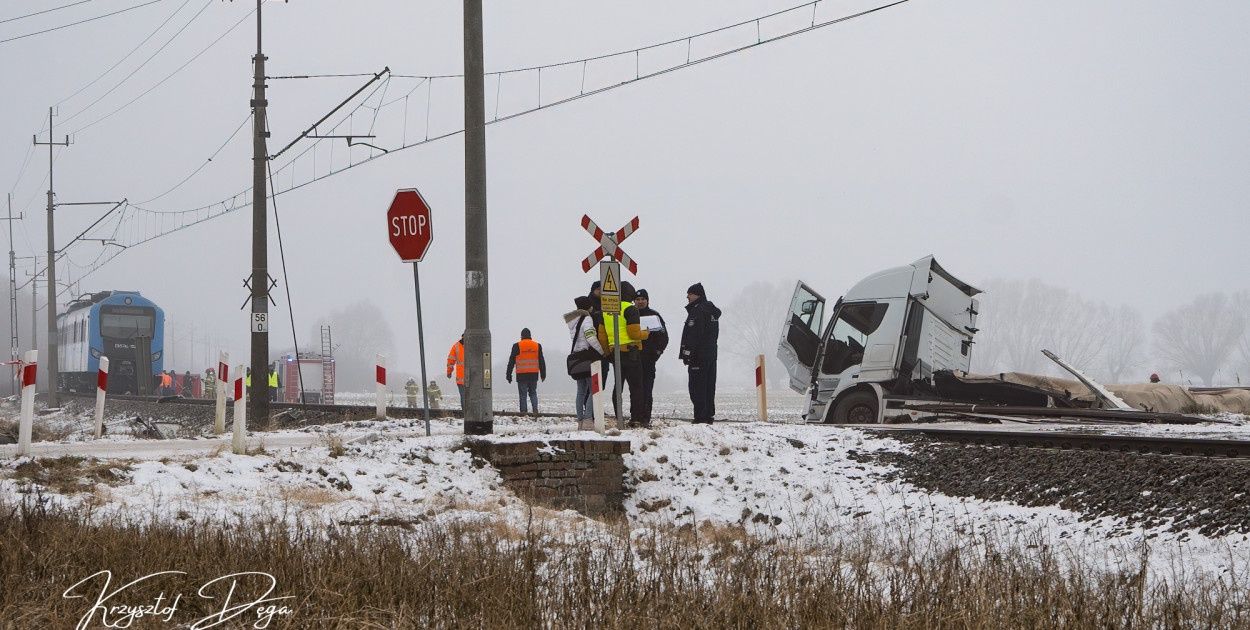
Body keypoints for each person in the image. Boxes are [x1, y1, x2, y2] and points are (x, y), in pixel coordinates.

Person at [596, 281, 650, 427]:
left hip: (615, 353)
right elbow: (634, 333)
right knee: (636, 387)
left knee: (618, 386)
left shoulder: (605, 311)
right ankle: (636, 418)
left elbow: (602, 337)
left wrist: (607, 353)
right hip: (631, 353)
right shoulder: (630, 309)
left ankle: (618, 415)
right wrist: (646, 333)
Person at [679, 282, 721, 424]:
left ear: (697, 295)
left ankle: (700, 417)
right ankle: (708, 415)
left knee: (696, 387)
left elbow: (694, 335)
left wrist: (687, 354)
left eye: (689, 294)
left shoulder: (697, 311)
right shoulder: (711, 311)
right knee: (709, 386)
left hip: (698, 356)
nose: (687, 297)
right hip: (711, 354)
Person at [565, 295, 604, 426]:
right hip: (587, 358)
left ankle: (580, 420)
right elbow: (590, 337)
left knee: (581, 391)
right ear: (588, 306)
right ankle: (588, 419)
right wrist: (601, 351)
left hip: (577, 357)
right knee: (593, 390)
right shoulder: (587, 319)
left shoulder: (574, 320)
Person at [634, 289, 668, 426]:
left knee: (647, 389)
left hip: (648, 359)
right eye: (638, 299)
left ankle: (645, 418)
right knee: (635, 390)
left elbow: (664, 337)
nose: (640, 302)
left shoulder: (655, 315)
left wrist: (657, 353)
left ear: (647, 301)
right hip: (633, 359)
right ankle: (635, 417)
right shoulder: (630, 315)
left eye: (643, 299)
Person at [506, 328, 546, 415]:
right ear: (530, 336)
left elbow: (511, 361)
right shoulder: (537, 346)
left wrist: (508, 375)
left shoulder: (516, 346)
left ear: (521, 336)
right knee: (533, 393)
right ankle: (535, 411)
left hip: (521, 375)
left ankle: (524, 413)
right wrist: (543, 374)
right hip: (533, 375)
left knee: (523, 395)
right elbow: (541, 361)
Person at [446, 336, 466, 408]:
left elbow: (450, 361)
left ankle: (465, 413)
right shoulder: (475, 344)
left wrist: (449, 372)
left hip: (461, 380)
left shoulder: (456, 346)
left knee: (464, 398)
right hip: (474, 379)